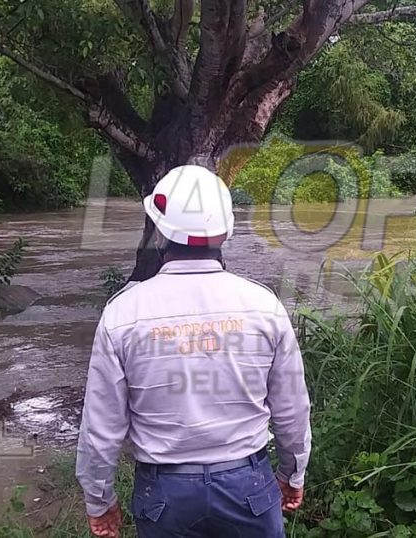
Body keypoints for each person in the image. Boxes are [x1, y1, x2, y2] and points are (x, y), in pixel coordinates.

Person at [75, 165, 312, 538]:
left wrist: (99, 501)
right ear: (225, 229)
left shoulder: (123, 313)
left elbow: (101, 428)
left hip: (165, 495)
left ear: (159, 229)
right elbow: (292, 410)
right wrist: (292, 473)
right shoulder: (263, 306)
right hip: (248, 486)